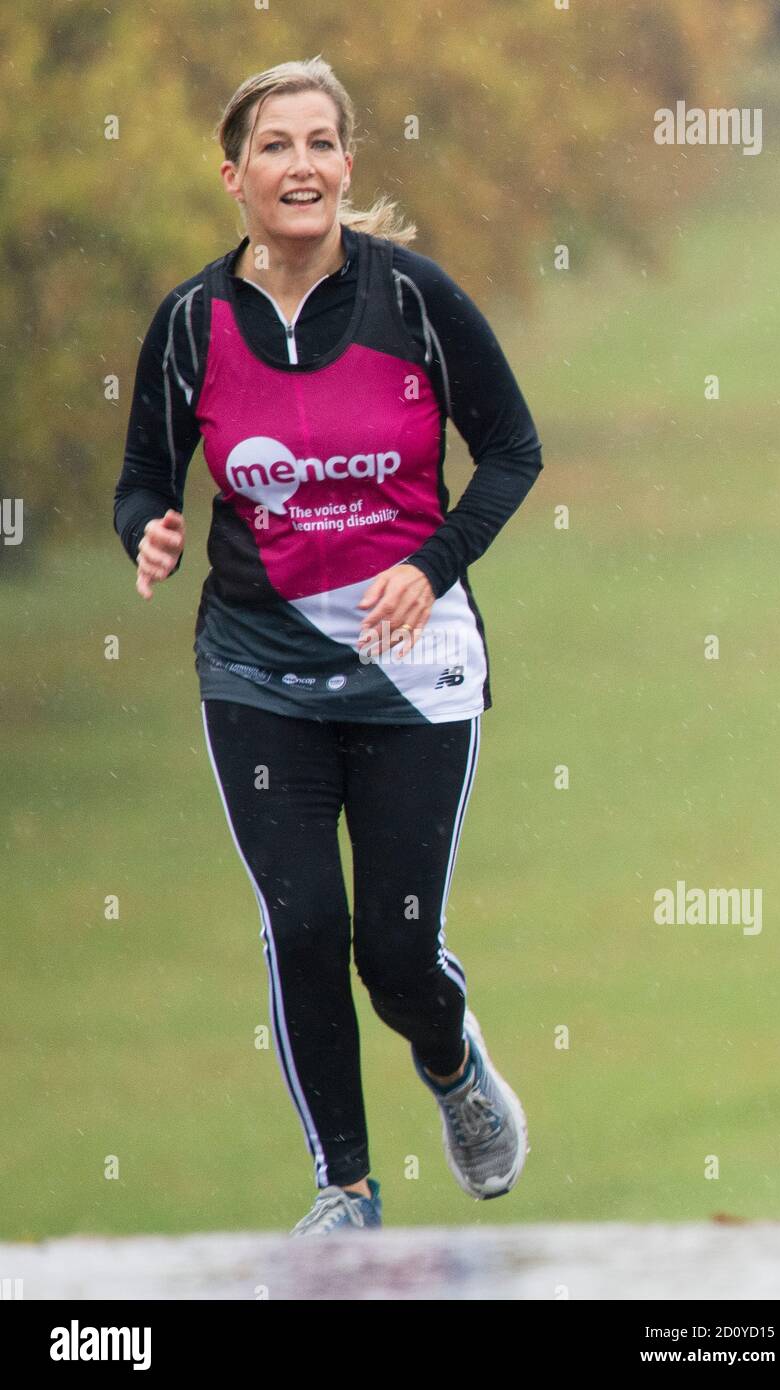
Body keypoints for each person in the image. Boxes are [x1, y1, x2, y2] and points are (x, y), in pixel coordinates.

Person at [113, 55, 542, 1236]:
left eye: (320, 143)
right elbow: (146, 473)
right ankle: (345, 1190)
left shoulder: (416, 302)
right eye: (275, 146)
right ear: (233, 174)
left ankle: (454, 1071)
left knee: (395, 952)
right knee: (302, 918)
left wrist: (429, 564)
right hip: (255, 669)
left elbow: (512, 451)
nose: (300, 165)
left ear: (347, 164)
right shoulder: (193, 323)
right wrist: (144, 527)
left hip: (414, 668)